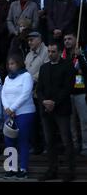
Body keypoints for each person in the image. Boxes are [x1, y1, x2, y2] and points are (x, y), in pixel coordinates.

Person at [37, 42, 76, 182]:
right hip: (46, 111)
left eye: (53, 51)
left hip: (62, 109)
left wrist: (54, 102)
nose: (50, 54)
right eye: (49, 51)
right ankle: (52, 170)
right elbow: (39, 89)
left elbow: (68, 87)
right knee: (49, 141)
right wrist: (44, 102)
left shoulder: (68, 65)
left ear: (59, 52)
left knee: (66, 140)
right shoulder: (44, 67)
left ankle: (70, 171)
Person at [1, 54, 36, 179]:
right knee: (9, 141)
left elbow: (26, 93)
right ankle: (11, 168)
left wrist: (12, 108)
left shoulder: (26, 76)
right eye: (9, 64)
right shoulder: (7, 78)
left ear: (19, 64)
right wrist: (7, 108)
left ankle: (23, 168)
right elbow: (3, 93)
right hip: (10, 114)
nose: (10, 66)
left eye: (13, 64)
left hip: (24, 112)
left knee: (22, 140)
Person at [24, 31, 49, 155]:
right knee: (33, 122)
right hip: (30, 94)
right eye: (28, 40)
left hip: (43, 93)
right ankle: (36, 146)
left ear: (39, 39)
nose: (29, 42)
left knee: (45, 122)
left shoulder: (46, 51)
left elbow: (46, 70)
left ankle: (47, 146)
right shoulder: (28, 55)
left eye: (32, 40)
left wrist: (31, 79)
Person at [62, 33, 87, 156]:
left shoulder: (82, 53)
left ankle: (85, 146)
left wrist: (80, 57)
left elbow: (85, 70)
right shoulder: (63, 56)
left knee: (84, 120)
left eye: (69, 39)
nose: (67, 41)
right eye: (65, 39)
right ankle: (75, 146)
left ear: (76, 40)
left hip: (80, 91)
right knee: (70, 123)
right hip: (68, 93)